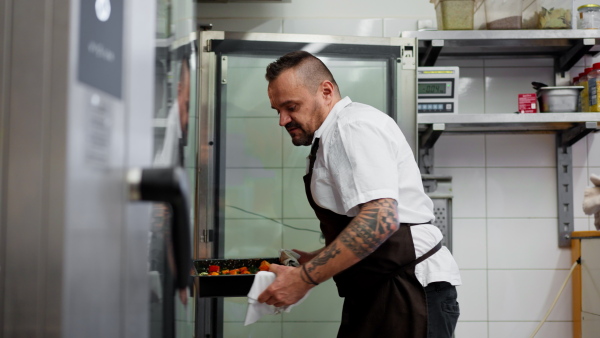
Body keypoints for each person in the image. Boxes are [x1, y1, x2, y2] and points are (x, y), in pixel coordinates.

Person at [257, 51, 461, 338]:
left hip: (407, 288)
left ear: (326, 91)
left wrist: (304, 278)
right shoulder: (331, 135)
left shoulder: (351, 126)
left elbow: (381, 218)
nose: (282, 120)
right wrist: (314, 258)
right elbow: (363, 220)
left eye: (291, 106)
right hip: (379, 287)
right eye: (277, 110)